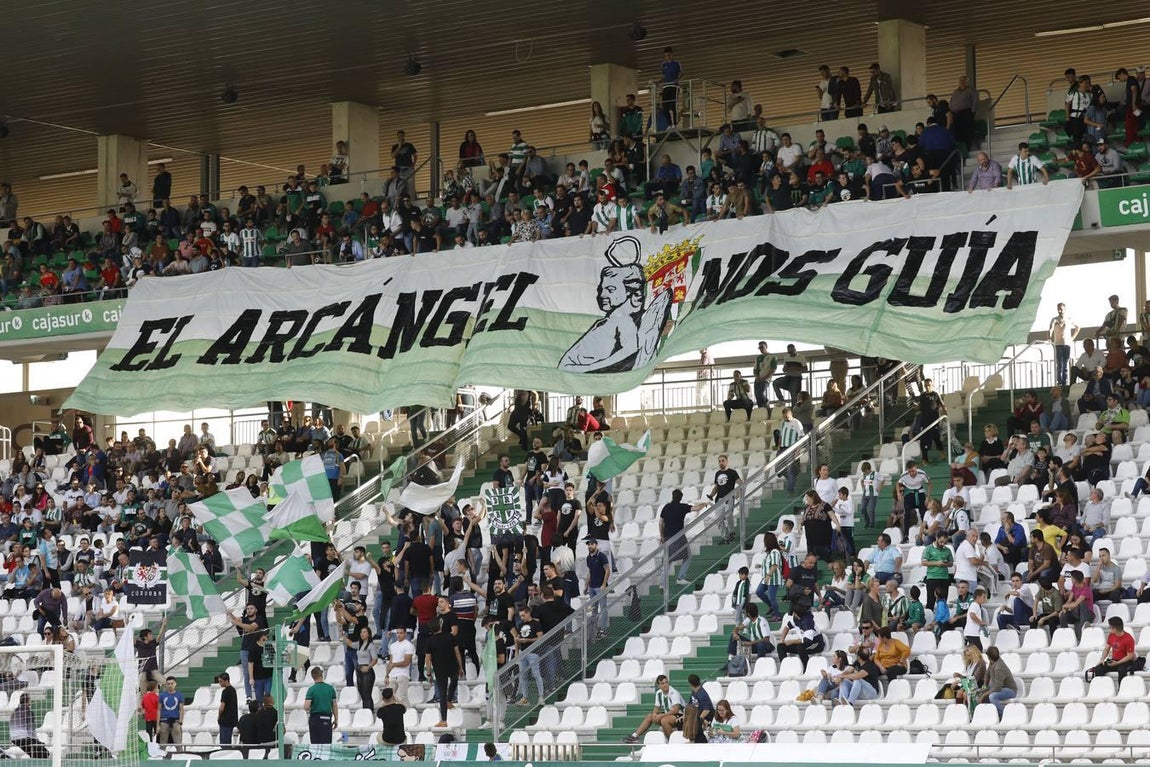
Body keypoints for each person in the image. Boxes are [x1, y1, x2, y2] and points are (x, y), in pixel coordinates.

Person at [624, 674, 684, 743]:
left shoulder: (674, 693)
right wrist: (655, 714)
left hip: (680, 716)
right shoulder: (659, 693)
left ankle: (672, 741)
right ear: (659, 686)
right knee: (650, 716)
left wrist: (661, 715)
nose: (665, 685)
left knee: (664, 720)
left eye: (666, 682)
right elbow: (656, 708)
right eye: (662, 683)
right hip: (668, 714)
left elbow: (676, 710)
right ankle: (635, 736)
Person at [1085, 617, 1141, 682]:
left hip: (1125, 661)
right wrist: (1102, 659)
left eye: (1110, 627)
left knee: (1122, 670)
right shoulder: (1111, 635)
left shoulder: (1128, 639)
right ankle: (1101, 687)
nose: (1109, 629)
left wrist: (1117, 663)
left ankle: (1121, 689)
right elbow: (1107, 649)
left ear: (1114, 629)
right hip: (1114, 660)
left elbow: (1130, 656)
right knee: (1098, 669)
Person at [304, 666, 337, 744]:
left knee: (315, 743)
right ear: (322, 675)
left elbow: (306, 706)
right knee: (326, 743)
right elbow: (334, 705)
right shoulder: (330, 688)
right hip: (326, 717)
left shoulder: (311, 689)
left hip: (315, 718)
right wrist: (336, 719)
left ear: (312, 676)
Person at [157, 676, 185, 744]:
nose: (170, 685)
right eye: (168, 684)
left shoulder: (179, 695)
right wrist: (157, 724)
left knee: (178, 742)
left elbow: (181, 709)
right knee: (162, 743)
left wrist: (180, 721)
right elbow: (159, 709)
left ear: (175, 684)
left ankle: (179, 754)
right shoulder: (162, 695)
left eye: (172, 683)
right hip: (164, 721)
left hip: (175, 721)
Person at [217, 671, 238, 745]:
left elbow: (222, 707)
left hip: (225, 720)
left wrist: (219, 716)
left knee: (224, 742)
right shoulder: (233, 690)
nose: (220, 683)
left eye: (221, 681)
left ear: (226, 680)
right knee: (228, 741)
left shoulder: (225, 691)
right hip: (231, 720)